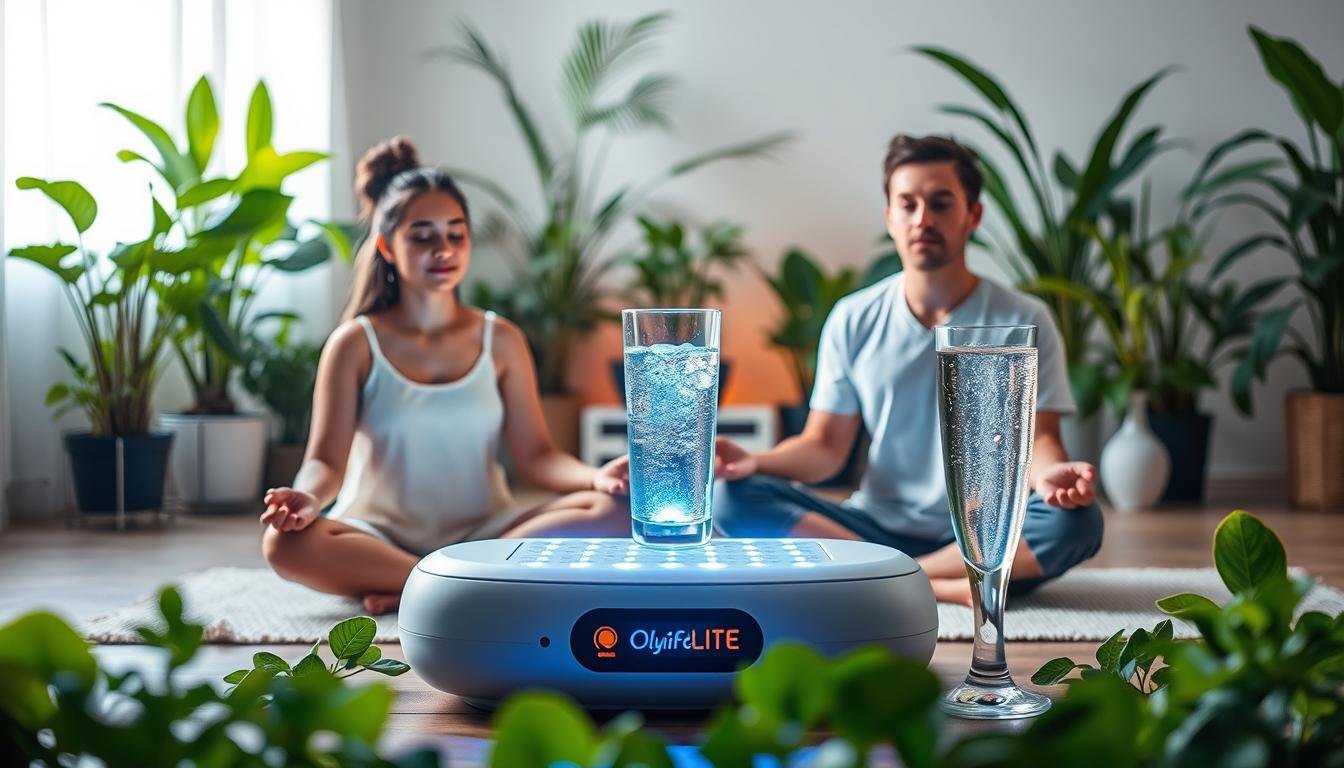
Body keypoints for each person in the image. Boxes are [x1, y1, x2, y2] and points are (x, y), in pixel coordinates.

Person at [713, 134, 1103, 605]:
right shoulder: (854, 318)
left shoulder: (1024, 319)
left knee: (1077, 521)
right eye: (908, 204)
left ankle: (886, 577)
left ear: (973, 216)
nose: (923, 219)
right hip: (872, 528)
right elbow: (824, 447)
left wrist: (1053, 476)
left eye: (941, 203)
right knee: (730, 497)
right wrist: (755, 461)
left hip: (985, 530)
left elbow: (1040, 439)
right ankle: (941, 583)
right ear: (890, 218)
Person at [260, 137, 631, 614]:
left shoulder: (502, 339)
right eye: (423, 236)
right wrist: (306, 498)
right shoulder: (354, 343)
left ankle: (418, 585)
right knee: (284, 543)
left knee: (620, 509)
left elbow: (538, 457)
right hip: (376, 536)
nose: (444, 249)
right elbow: (325, 463)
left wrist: (596, 477)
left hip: (487, 535)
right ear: (386, 247)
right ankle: (454, 581)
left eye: (456, 234)